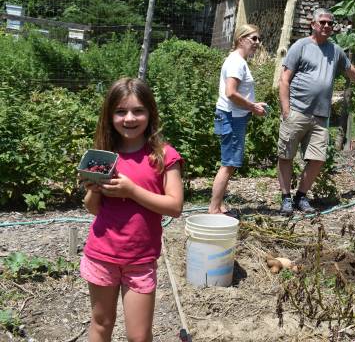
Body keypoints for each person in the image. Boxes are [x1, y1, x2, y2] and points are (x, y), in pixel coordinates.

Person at [80, 77, 184, 342]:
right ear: (109, 115)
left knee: (139, 336)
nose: (129, 118)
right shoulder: (103, 156)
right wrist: (94, 188)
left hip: (140, 260)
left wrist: (132, 191)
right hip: (102, 254)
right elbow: (94, 209)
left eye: (138, 110)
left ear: (150, 113)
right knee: (101, 323)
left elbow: (174, 207)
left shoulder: (163, 155)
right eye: (120, 111)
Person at [277, 7, 355, 216]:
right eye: (323, 22)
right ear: (313, 24)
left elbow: (353, 73)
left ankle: (301, 196)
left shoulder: (335, 50)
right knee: (286, 155)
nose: (327, 26)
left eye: (330, 23)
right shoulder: (300, 46)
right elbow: (284, 79)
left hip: (320, 116)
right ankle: (285, 198)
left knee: (317, 159)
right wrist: (286, 110)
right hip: (297, 111)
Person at [209, 24, 267, 216]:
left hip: (234, 116)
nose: (257, 43)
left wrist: (252, 103)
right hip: (232, 117)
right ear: (241, 39)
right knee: (228, 164)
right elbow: (231, 93)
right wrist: (252, 106)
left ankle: (219, 205)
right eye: (254, 38)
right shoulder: (236, 62)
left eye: (259, 39)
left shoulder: (239, 60)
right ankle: (214, 209)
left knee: (230, 163)